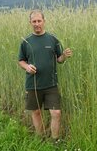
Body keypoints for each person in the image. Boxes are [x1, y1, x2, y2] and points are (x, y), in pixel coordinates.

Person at [18, 9, 72, 141]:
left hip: (51, 84)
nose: (37, 24)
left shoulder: (52, 39)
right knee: (36, 112)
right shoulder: (26, 41)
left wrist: (64, 56)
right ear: (30, 22)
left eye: (39, 21)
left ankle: (55, 141)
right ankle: (41, 138)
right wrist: (27, 67)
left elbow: (59, 59)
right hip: (33, 84)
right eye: (34, 21)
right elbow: (21, 61)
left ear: (44, 21)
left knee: (56, 112)